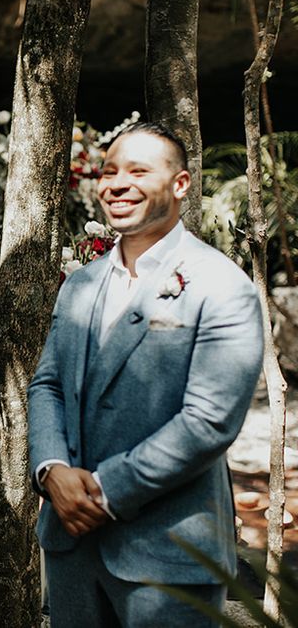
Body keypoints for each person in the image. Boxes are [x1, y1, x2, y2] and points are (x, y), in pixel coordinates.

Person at [27, 121, 264, 627]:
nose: (116, 183)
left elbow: (209, 422)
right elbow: (48, 383)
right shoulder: (80, 285)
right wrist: (52, 470)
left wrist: (104, 491)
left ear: (180, 185)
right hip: (70, 546)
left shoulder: (222, 285)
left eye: (139, 171)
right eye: (109, 171)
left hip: (169, 551)